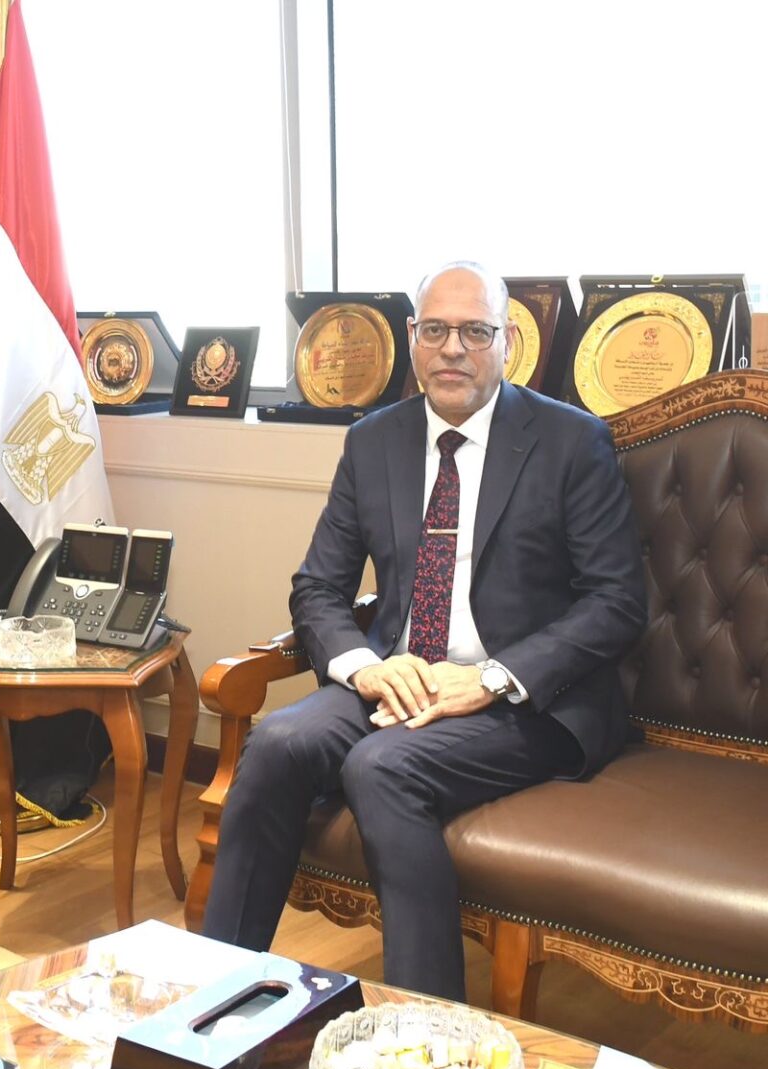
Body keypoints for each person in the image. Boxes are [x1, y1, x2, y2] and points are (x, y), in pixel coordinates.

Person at [202, 261, 647, 1002]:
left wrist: (489, 679)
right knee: (278, 741)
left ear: (507, 341)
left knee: (382, 766)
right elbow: (318, 587)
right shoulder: (374, 440)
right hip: (400, 676)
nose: (452, 349)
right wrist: (363, 666)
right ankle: (214, 1000)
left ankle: (430, 1027)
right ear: (411, 336)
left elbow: (617, 602)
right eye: (436, 330)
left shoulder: (571, 441)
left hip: (524, 699)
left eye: (474, 332)